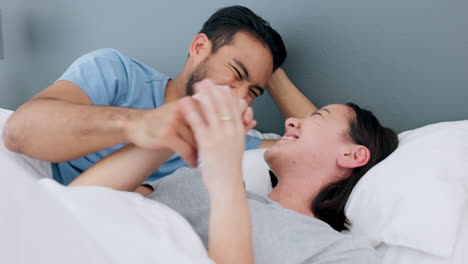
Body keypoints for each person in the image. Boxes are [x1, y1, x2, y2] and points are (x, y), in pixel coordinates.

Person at [73, 74, 399, 263]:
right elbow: (79, 204)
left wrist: (224, 176)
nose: (291, 121)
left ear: (354, 155)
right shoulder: (194, 179)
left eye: (317, 117)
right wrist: (173, 133)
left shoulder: (342, 253)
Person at [2, 5, 309, 186]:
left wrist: (269, 73)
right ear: (199, 47)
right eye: (236, 73)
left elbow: (323, 145)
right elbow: (18, 131)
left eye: (254, 92)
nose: (241, 97)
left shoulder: (231, 139)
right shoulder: (115, 72)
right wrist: (137, 124)